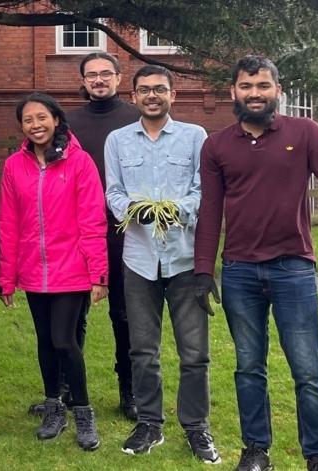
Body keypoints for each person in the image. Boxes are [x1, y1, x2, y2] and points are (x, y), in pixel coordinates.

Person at [194, 55, 318, 471]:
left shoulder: (305, 133)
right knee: (249, 366)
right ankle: (256, 451)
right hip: (240, 272)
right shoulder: (217, 146)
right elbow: (210, 211)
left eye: (263, 86)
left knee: (308, 369)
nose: (255, 93)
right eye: (246, 86)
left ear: (278, 91)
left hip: (294, 270)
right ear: (233, 91)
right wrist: (202, 271)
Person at [104, 65, 218, 463]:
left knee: (194, 351)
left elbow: (203, 190)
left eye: (160, 90)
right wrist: (136, 212)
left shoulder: (194, 137)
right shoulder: (117, 140)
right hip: (139, 260)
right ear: (134, 96)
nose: (152, 96)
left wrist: (174, 211)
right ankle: (149, 422)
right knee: (143, 350)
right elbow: (113, 192)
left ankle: (196, 427)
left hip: (184, 259)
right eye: (144, 90)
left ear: (173, 95)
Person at [0, 92, 107, 452]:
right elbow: (9, 223)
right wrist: (6, 276)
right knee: (45, 342)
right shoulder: (15, 166)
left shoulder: (80, 162)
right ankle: (54, 407)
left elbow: (93, 219)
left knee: (64, 340)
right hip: (33, 270)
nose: (35, 125)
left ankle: (83, 410)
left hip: (71, 269)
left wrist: (98, 274)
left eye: (41, 117)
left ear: (56, 119)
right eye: (28, 120)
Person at [56, 51, 141, 421]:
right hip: (78, 231)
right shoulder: (68, 123)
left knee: (125, 314)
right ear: (83, 80)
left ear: (119, 78)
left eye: (106, 73)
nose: (99, 80)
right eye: (92, 75)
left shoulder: (136, 118)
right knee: (73, 313)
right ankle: (66, 388)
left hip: (125, 230)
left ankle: (130, 388)